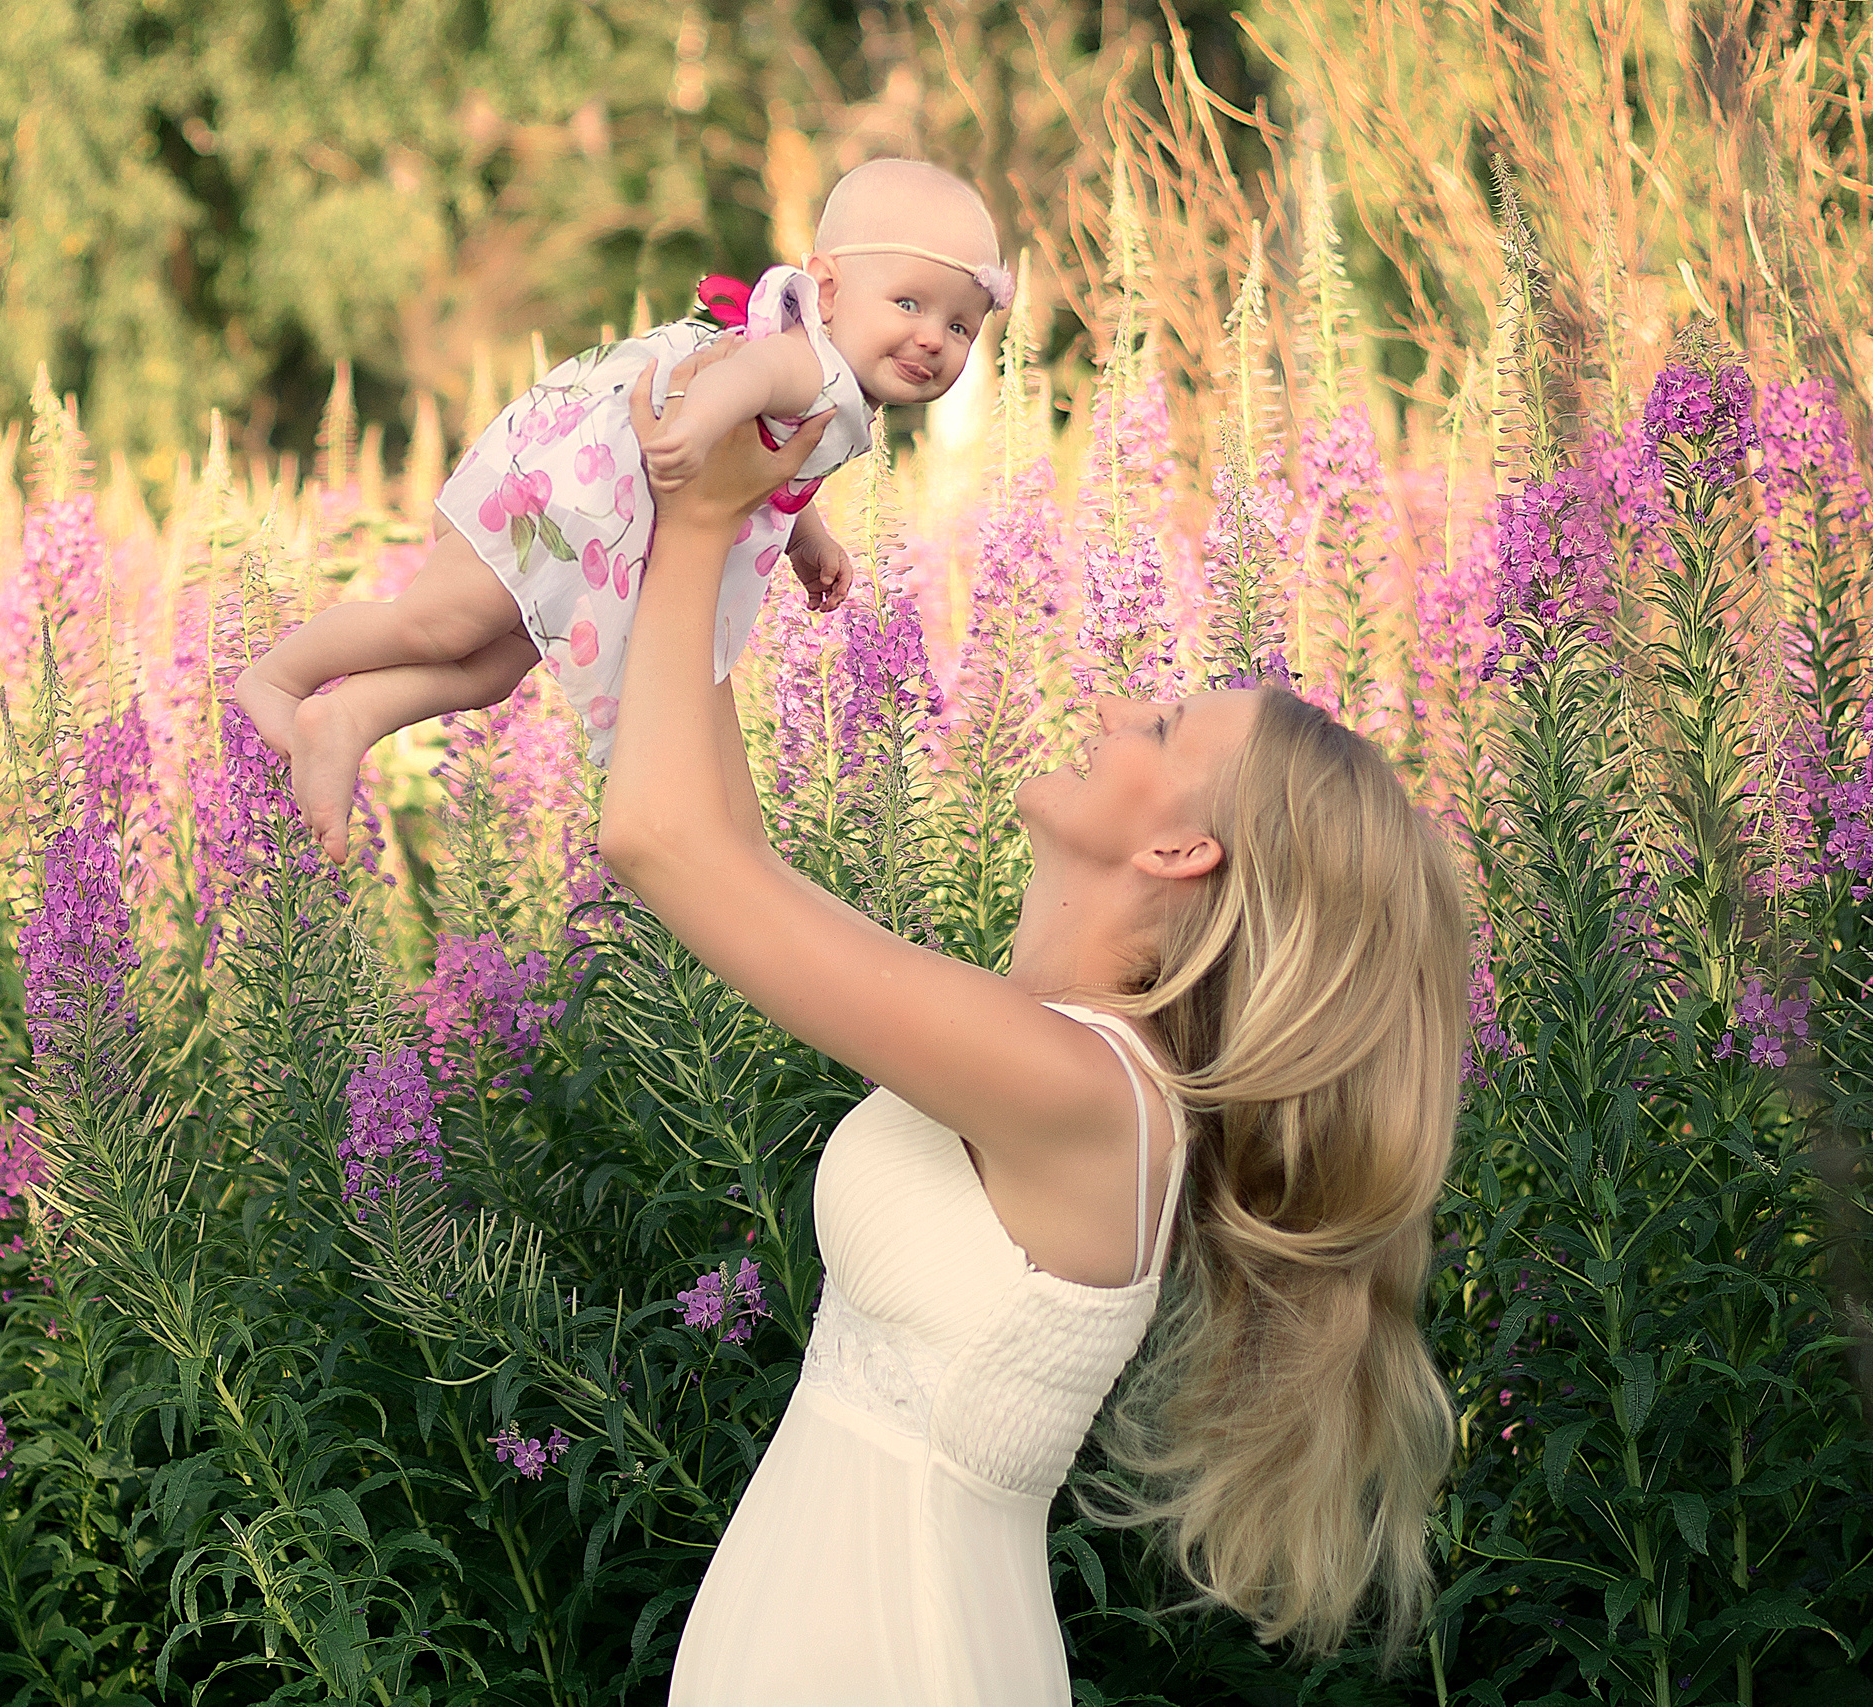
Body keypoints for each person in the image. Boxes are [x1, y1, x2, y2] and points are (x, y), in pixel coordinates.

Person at [599, 338, 1471, 1704]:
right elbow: (727, 852)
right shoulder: (1066, 1059)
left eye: (1168, 725)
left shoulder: (1086, 1090)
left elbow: (657, 837)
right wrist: (729, 528)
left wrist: (704, 515)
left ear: (1185, 850)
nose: (1121, 703)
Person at [230, 157, 1014, 861]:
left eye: (959, 326)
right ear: (830, 289)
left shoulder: (835, 378)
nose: (931, 339)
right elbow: (745, 385)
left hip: (602, 524)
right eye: (909, 303)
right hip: (568, 498)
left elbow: (776, 458)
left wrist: (810, 536)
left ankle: (349, 718)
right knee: (436, 622)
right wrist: (693, 429)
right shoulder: (804, 358)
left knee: (497, 668)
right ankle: (273, 678)